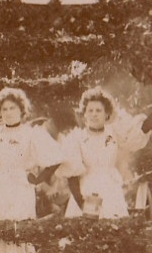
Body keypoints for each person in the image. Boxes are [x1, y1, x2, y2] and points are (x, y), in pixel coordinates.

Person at [0, 87, 62, 221]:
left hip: (21, 188)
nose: (8, 113)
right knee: (0, 228)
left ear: (21, 109)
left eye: (12, 108)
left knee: (20, 229)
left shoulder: (31, 134)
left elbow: (56, 158)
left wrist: (37, 179)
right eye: (4, 109)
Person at [62, 88, 146, 219]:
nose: (94, 114)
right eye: (90, 110)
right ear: (84, 114)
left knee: (113, 228)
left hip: (111, 189)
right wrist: (82, 203)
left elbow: (136, 135)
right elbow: (72, 175)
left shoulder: (113, 133)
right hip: (87, 189)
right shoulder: (78, 138)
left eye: (98, 110)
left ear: (107, 114)